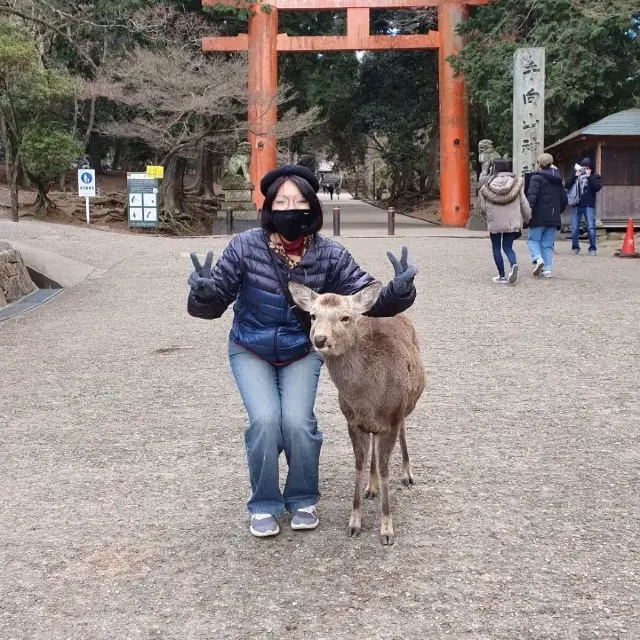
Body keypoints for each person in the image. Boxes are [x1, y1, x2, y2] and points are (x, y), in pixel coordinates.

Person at [187, 165, 417, 539]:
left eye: (299, 201)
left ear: (312, 207)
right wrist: (203, 293)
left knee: (296, 422)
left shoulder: (329, 254)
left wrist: (400, 290)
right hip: (251, 347)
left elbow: (366, 298)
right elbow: (215, 301)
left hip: (301, 349)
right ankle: (263, 503)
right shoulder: (244, 246)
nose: (290, 209)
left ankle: (302, 496)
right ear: (269, 207)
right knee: (264, 420)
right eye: (281, 201)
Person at [479, 158, 531, 285]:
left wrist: (487, 215)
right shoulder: (516, 184)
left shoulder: (486, 186)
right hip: (511, 221)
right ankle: (513, 265)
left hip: (494, 221)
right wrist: (527, 217)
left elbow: (484, 207)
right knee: (508, 247)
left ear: (494, 168)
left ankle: (501, 276)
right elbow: (524, 203)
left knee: (496, 247)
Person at [526, 153, 568, 279]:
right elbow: (564, 199)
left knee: (533, 240)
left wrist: (527, 213)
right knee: (547, 244)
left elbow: (531, 198)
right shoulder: (558, 179)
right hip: (553, 217)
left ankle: (538, 259)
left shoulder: (536, 178)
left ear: (539, 164)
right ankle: (547, 270)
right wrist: (557, 212)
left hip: (538, 216)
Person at [565, 157, 602, 255]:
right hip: (576, 204)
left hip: (588, 205)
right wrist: (575, 176)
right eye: (583, 167)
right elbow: (567, 185)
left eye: (587, 167)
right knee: (574, 228)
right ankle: (575, 247)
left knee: (590, 227)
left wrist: (589, 177)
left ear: (590, 168)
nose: (585, 169)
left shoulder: (595, 176)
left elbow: (597, 188)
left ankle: (592, 248)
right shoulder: (577, 175)